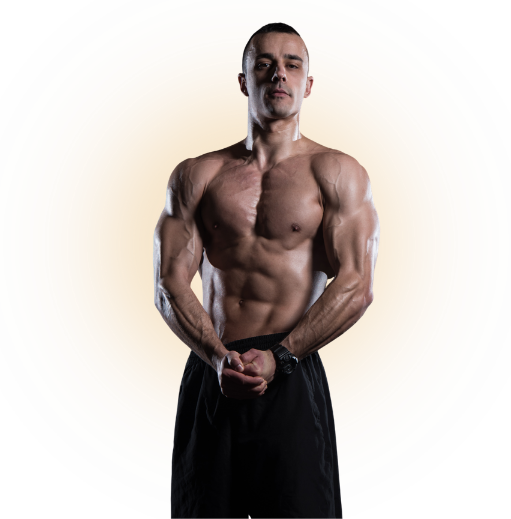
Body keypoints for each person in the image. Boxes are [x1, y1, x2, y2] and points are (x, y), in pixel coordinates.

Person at [154, 21, 379, 519]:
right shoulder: (198, 174)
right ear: (244, 80)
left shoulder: (336, 172)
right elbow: (168, 283)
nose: (279, 73)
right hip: (213, 369)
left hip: (292, 369)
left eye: (292, 64)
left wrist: (283, 357)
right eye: (264, 64)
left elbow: (356, 285)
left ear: (308, 84)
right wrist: (217, 358)